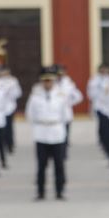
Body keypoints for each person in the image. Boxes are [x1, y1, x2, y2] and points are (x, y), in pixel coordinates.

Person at [26, 69, 72, 200]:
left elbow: (66, 116)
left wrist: (56, 124)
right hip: (41, 133)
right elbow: (30, 116)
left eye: (50, 81)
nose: (47, 84)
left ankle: (60, 191)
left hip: (57, 132)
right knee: (41, 165)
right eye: (45, 81)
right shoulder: (35, 97)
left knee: (59, 165)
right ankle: (40, 192)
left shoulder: (61, 96)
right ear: (41, 82)